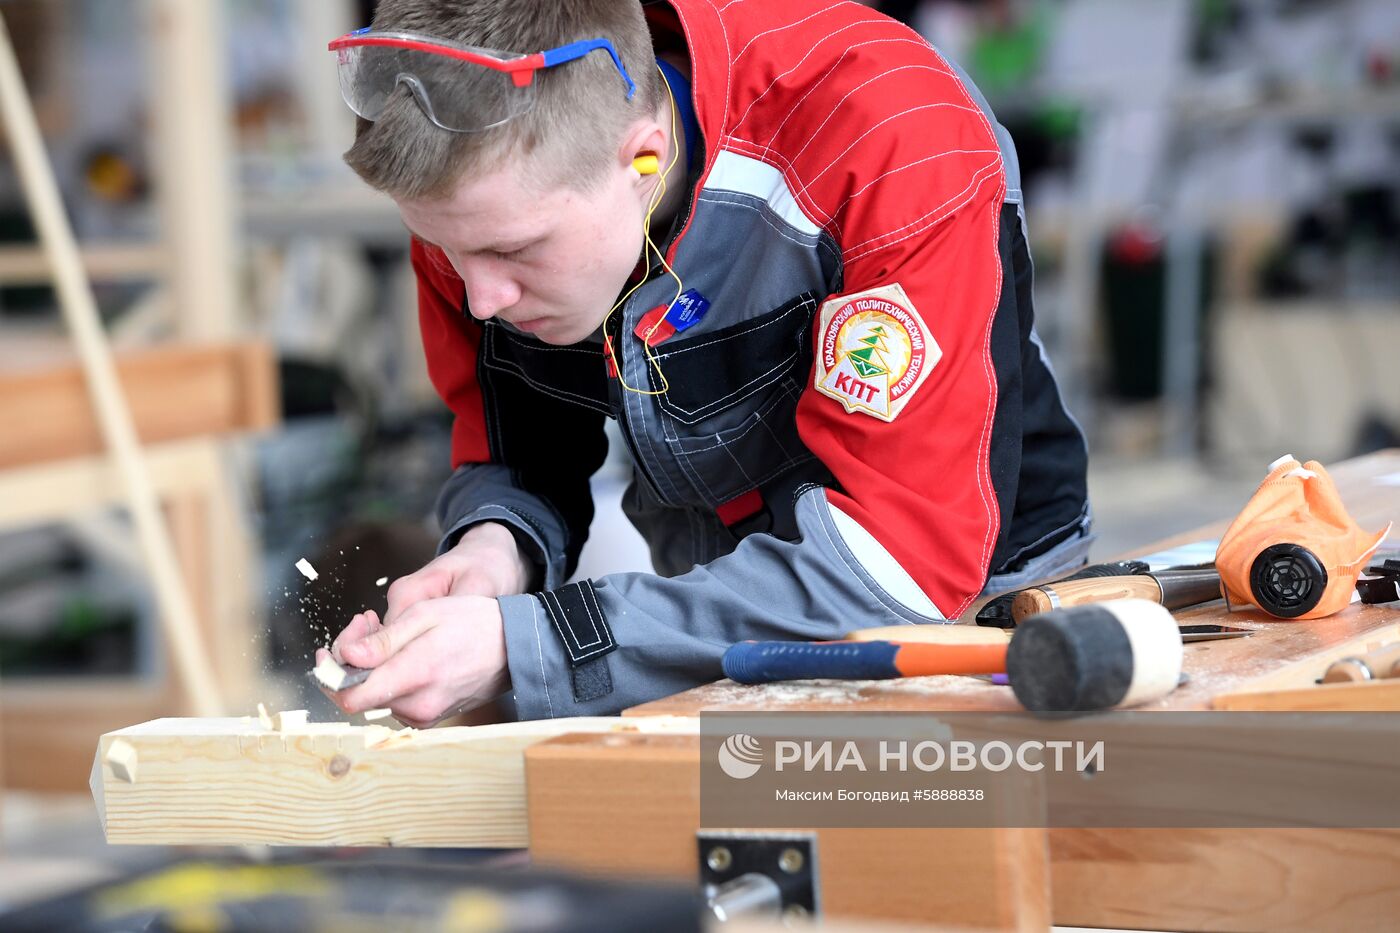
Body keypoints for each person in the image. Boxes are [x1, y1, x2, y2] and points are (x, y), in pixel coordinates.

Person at [318, 0, 1090, 726]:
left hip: (982, 623)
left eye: (511, 251)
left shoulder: (887, 134)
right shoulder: (485, 195)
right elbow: (522, 445)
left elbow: (893, 572)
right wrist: (492, 551)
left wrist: (531, 643)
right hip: (719, 631)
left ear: (645, 158)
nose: (479, 296)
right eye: (447, 249)